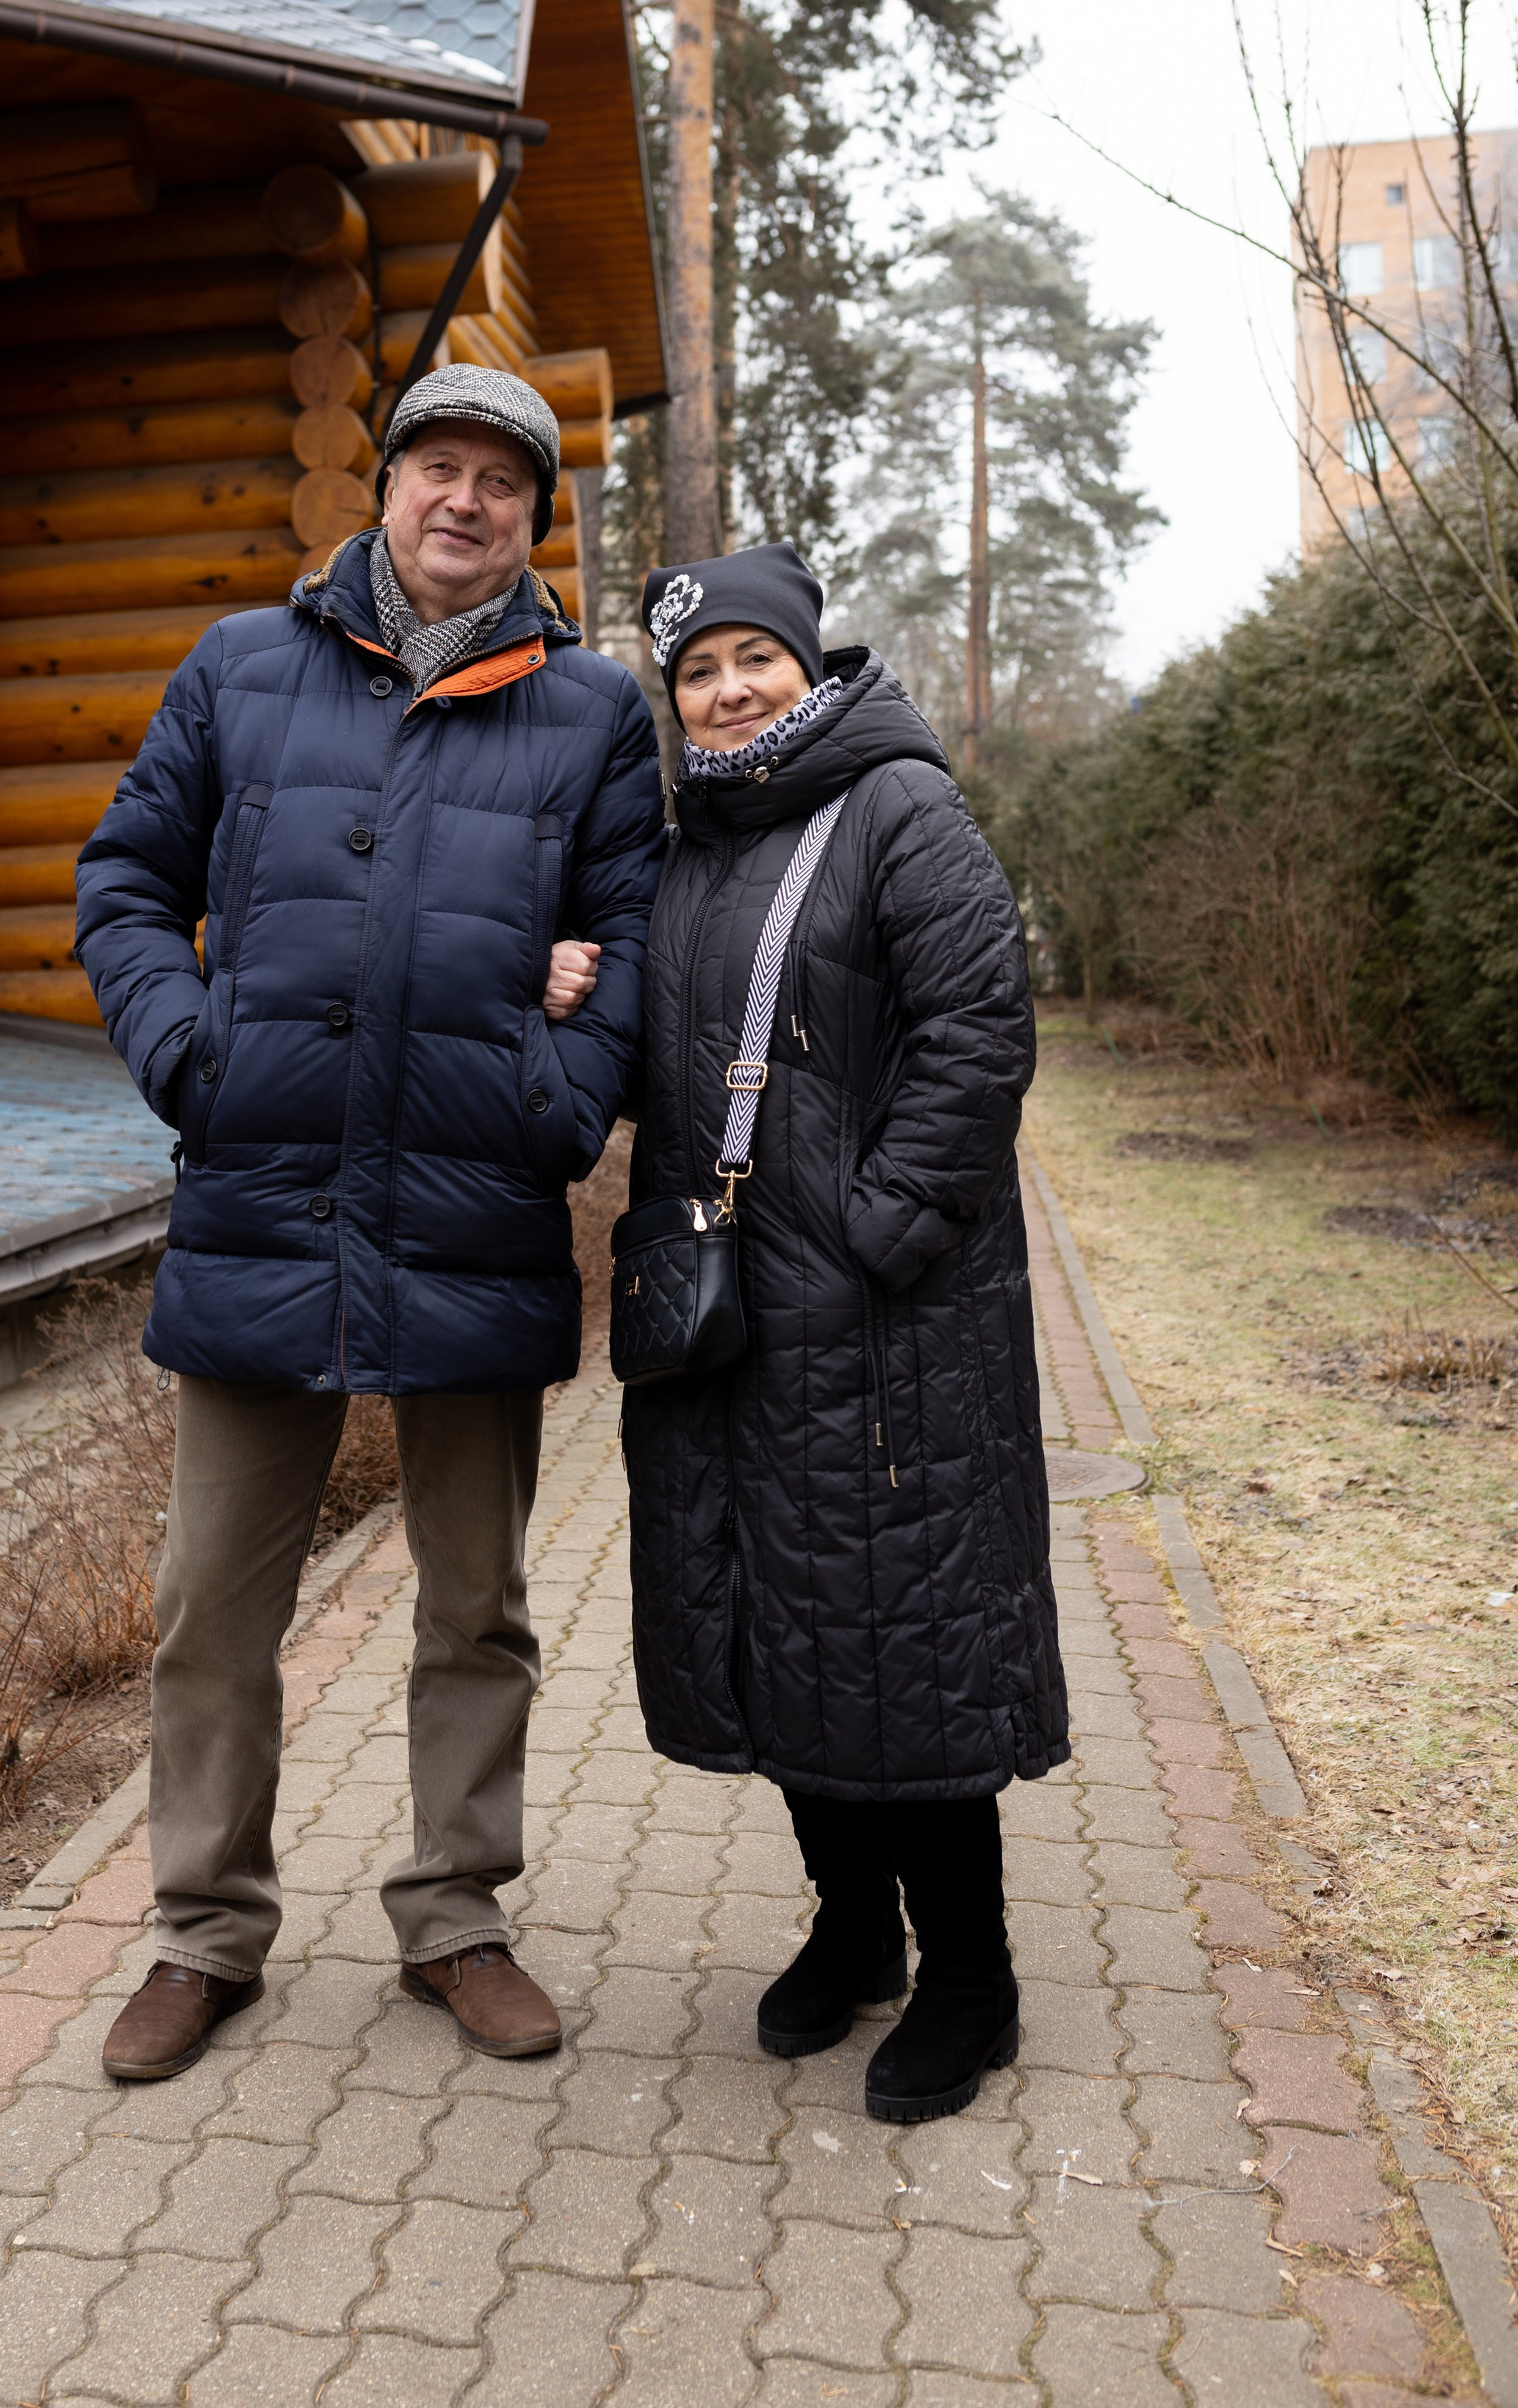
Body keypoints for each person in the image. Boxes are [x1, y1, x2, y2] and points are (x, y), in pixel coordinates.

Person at [74, 364, 665, 2080]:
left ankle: (456, 1917)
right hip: (263, 1192)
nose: (463, 499)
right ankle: (203, 1934)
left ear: (530, 522)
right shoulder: (241, 668)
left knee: (473, 1602)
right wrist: (193, 1055)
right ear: (385, 485)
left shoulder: (591, 710)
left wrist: (557, 1099)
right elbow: (122, 880)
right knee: (208, 1611)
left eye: (499, 478)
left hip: (476, 1197)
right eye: (437, 466)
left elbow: (629, 934)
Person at [621, 544, 1066, 2124]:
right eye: (696, 671)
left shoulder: (897, 808)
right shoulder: (681, 850)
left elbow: (978, 1027)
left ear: (807, 665)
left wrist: (880, 1226)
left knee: (906, 1641)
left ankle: (969, 1978)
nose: (728, 688)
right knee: (774, 1628)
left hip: (888, 1326)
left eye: (754, 657)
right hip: (729, 1324)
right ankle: (847, 1929)